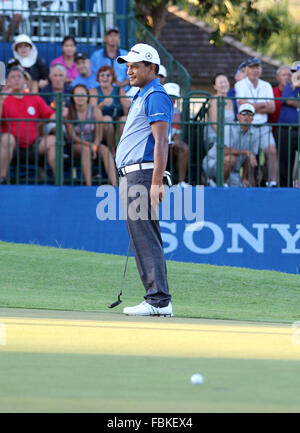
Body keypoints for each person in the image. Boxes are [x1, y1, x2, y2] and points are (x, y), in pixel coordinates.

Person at [115, 43, 173, 317]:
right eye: (128, 66)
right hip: (135, 173)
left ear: (152, 67)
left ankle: (159, 301)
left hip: (142, 173)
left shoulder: (156, 95)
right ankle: (156, 298)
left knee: (146, 237)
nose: (130, 71)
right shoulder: (142, 94)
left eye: (135, 66)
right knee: (143, 236)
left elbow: (162, 141)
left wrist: (156, 182)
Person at [0, 67, 56, 184]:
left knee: (53, 141)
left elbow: (50, 115)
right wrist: (1, 100)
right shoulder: (3, 99)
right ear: (8, 81)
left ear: (24, 81)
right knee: (7, 138)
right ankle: (2, 177)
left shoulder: (34, 98)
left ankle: (58, 178)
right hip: (11, 145)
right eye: (13, 77)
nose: (16, 79)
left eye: (19, 76)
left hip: (34, 144)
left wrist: (61, 114)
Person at [235, 57, 277, 187]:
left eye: (257, 67)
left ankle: (273, 182)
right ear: (246, 70)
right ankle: (250, 183)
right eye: (252, 68)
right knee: (250, 156)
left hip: (263, 126)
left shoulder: (266, 85)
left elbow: (272, 108)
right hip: (248, 126)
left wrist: (251, 106)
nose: (255, 70)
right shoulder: (239, 85)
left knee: (272, 151)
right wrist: (263, 104)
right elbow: (242, 104)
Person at [65, 84, 117, 187]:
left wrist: (95, 145)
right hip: (77, 144)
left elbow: (99, 134)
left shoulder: (95, 110)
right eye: (76, 95)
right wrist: (89, 146)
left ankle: (115, 185)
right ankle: (88, 185)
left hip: (94, 142)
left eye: (82, 94)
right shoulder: (69, 113)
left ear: (87, 97)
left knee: (105, 151)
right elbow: (73, 137)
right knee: (85, 150)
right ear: (72, 97)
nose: (80, 97)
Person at [202, 103, 259, 187]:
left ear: (253, 118)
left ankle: (223, 183)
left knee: (241, 187)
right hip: (213, 165)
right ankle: (217, 182)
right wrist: (246, 152)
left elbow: (250, 158)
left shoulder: (255, 133)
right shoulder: (229, 128)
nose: (246, 116)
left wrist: (244, 178)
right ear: (238, 116)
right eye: (243, 113)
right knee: (231, 159)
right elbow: (224, 150)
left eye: (250, 114)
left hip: (232, 171)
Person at [90, 65, 131, 155]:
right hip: (101, 125)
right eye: (102, 75)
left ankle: (120, 149)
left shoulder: (119, 90)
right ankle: (112, 150)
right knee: (106, 119)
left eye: (108, 75)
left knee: (124, 119)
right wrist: (101, 104)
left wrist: (127, 106)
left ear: (112, 78)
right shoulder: (94, 91)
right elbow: (91, 112)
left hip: (117, 122)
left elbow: (126, 113)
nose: (105, 78)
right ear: (98, 78)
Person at [203, 73, 235, 184]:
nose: (224, 84)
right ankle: (212, 177)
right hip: (216, 136)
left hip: (229, 136)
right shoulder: (214, 100)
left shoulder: (230, 101)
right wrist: (224, 138)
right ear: (215, 86)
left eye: (225, 81)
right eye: (220, 82)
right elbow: (214, 123)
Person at [277, 62, 300, 187]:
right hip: (287, 129)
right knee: (285, 162)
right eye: (295, 71)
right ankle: (285, 188)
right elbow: (290, 101)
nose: (297, 74)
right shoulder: (289, 86)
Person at [164, 82, 189, 187]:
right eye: (170, 96)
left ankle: (181, 182)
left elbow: (177, 133)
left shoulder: (177, 112)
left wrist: (176, 140)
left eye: (174, 97)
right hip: (157, 143)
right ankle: (158, 180)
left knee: (184, 148)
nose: (172, 99)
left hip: (170, 143)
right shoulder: (155, 108)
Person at [39, 63, 72, 135]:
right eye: (55, 75)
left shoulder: (71, 90)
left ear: (65, 77)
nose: (58, 79)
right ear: (50, 77)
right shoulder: (44, 92)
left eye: (61, 75)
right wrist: (53, 106)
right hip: (50, 123)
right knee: (57, 129)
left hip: (69, 122)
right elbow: (41, 114)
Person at [268, 65, 292, 135]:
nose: (286, 77)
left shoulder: (296, 93)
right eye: (283, 75)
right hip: (272, 131)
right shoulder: (271, 92)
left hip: (291, 131)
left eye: (289, 75)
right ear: (278, 77)